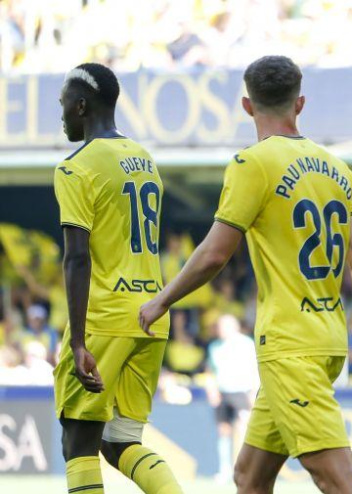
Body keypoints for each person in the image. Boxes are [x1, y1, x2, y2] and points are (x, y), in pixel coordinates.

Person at [139, 55, 352, 494]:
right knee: (249, 475)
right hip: (326, 338)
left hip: (289, 344)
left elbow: (214, 254)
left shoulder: (253, 163)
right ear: (299, 104)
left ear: (247, 107)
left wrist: (162, 299)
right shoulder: (339, 169)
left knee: (336, 478)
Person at [52, 63, 183, 494]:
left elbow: (77, 258)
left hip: (104, 318)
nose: (63, 115)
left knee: (78, 442)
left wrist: (76, 343)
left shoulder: (77, 166)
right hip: (150, 314)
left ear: (82, 105)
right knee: (121, 440)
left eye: (65, 106)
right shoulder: (143, 159)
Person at [205, 314, 259, 483]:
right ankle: (225, 470)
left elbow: (255, 370)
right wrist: (212, 390)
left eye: (224, 326)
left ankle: (243, 469)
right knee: (224, 431)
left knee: (243, 431)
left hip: (241, 391)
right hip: (223, 392)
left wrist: (253, 392)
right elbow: (210, 370)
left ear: (234, 327)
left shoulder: (246, 344)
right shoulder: (214, 346)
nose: (221, 330)